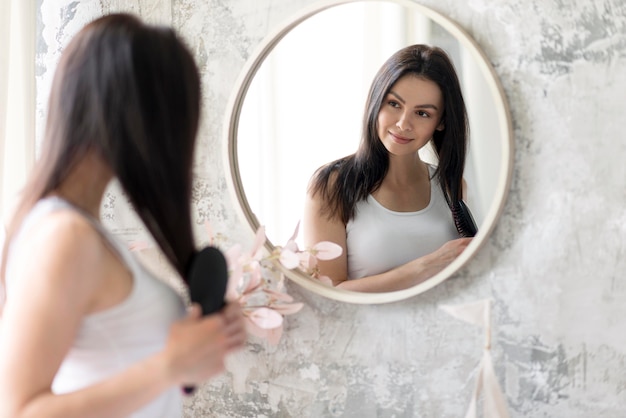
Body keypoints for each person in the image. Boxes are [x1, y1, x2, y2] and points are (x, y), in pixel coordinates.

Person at [0, 14, 246, 418]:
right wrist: (167, 366)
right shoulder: (66, 235)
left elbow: (111, 375)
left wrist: (194, 348)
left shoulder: (73, 228)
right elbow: (20, 411)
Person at [303, 44, 473, 293]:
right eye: (394, 104)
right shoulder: (331, 186)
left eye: (423, 113)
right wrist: (424, 267)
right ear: (376, 101)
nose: (404, 124)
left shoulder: (450, 185)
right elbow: (327, 293)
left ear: (442, 122)